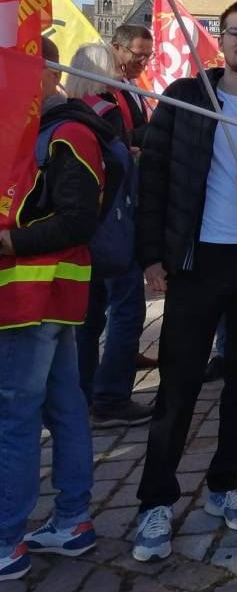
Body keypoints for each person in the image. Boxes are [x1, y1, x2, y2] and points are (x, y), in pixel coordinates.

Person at [132, 1, 237, 562]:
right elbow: (152, 177)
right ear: (221, 40)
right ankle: (156, 499)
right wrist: (151, 256)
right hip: (194, 263)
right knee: (177, 387)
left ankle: (225, 485)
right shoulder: (186, 98)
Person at [0, 38, 104, 580]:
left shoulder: (68, 132)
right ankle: (72, 521)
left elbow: (79, 220)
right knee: (61, 406)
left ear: (43, 73)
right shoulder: (32, 129)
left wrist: (9, 243)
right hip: (30, 297)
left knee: (13, 417)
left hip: (35, 297)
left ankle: (4, 541)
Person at [65, 43, 155, 428]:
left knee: (88, 317)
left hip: (82, 231)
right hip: (114, 226)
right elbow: (118, 166)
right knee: (127, 310)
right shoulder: (104, 113)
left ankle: (83, 394)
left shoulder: (67, 114)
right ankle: (112, 398)